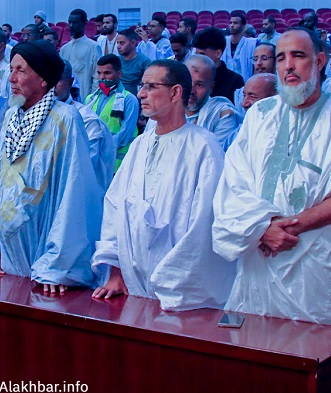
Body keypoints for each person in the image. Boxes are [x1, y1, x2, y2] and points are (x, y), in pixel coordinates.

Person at [212, 28, 331, 326]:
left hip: (313, 261)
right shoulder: (259, 114)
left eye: (298, 56)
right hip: (257, 258)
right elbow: (233, 183)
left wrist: (288, 229)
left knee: (311, 347)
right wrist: (263, 230)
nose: (288, 66)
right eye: (281, 58)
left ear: (320, 61)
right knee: (247, 343)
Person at [91, 60, 234, 310]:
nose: (141, 94)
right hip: (133, 287)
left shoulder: (203, 147)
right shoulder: (140, 144)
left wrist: (170, 283)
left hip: (180, 292)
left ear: (175, 92)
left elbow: (204, 224)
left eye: (151, 86)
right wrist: (116, 270)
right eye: (141, 85)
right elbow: (115, 207)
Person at [0, 40, 103, 292]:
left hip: (45, 250)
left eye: (21, 70)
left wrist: (58, 265)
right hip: (8, 253)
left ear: (43, 80)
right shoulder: (10, 115)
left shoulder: (65, 118)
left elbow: (73, 191)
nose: (12, 78)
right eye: (11, 69)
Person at [53, 61, 114, 190]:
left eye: (57, 80)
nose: (51, 86)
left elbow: (85, 165)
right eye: (47, 79)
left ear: (70, 82)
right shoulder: (37, 114)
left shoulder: (86, 119)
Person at [170, 55, 238, 150]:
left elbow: (215, 154)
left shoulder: (221, 114)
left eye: (199, 85)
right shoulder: (166, 108)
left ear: (211, 87)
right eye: (187, 82)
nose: (191, 91)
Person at [85, 54, 139, 170]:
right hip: (94, 161)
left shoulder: (129, 99)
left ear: (119, 74)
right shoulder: (90, 99)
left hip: (117, 164)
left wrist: (105, 148)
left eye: (107, 73)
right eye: (99, 73)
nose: (102, 77)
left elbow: (126, 133)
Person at [59, 8, 102, 99]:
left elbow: (97, 77)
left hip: (85, 100)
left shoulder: (93, 47)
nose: (71, 25)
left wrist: (92, 100)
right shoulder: (64, 49)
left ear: (84, 23)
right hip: (66, 100)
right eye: (70, 22)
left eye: (75, 22)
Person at [192, 27, 244, 100]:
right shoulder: (190, 77)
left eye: (202, 54)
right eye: (196, 54)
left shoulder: (235, 81)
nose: (198, 58)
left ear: (218, 54)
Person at [114, 28, 152, 94]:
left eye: (122, 43)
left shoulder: (144, 61)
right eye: (117, 43)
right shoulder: (116, 60)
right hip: (116, 96)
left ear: (133, 43)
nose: (118, 46)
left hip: (136, 97)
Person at [222, 12, 257, 79]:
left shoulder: (251, 44)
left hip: (244, 80)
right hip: (226, 80)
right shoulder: (224, 42)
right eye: (230, 23)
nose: (232, 25)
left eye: (235, 23)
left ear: (243, 26)